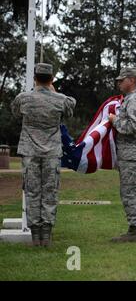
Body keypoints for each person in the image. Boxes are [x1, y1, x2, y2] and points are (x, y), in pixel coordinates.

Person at [11, 63, 76, 247]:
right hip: (51, 153)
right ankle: (46, 236)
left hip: (29, 152)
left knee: (32, 192)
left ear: (34, 77)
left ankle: (35, 236)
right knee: (49, 192)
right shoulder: (60, 100)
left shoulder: (24, 98)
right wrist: (53, 91)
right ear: (52, 79)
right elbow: (71, 107)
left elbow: (16, 113)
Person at [109, 67, 136, 243]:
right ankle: (134, 230)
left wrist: (114, 120)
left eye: (122, 80)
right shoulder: (130, 99)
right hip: (130, 154)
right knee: (129, 192)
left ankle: (134, 232)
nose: (119, 83)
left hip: (133, 154)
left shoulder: (134, 100)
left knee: (131, 193)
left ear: (132, 80)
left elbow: (134, 126)